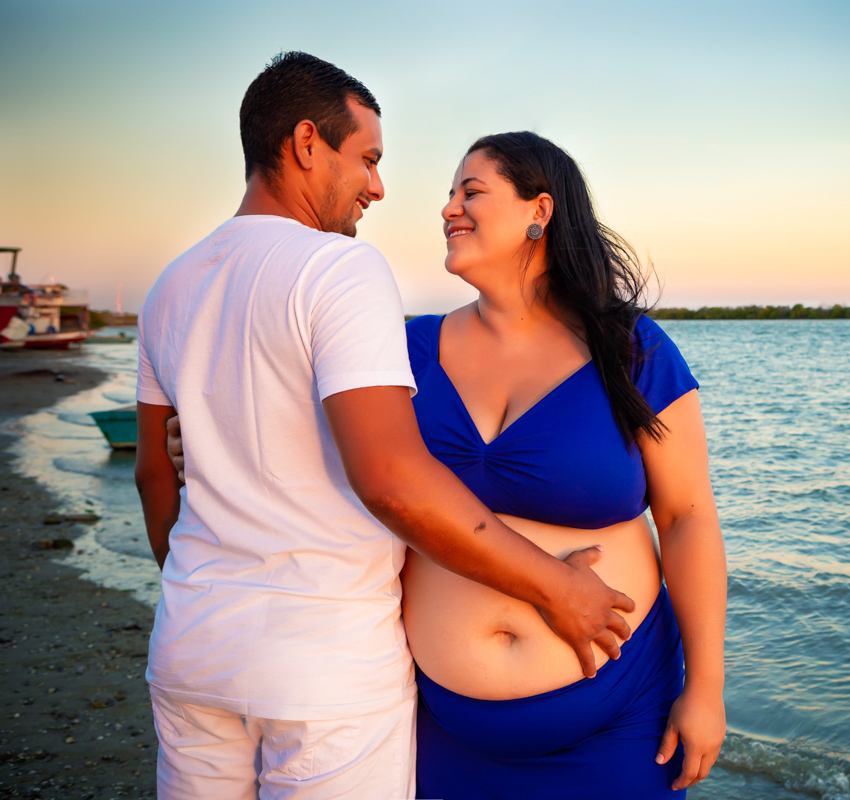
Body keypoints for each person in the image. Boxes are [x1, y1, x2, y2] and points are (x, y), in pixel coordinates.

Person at [134, 53, 635, 800]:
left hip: (191, 647)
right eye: (366, 158)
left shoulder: (170, 286)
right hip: (323, 669)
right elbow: (393, 480)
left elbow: (155, 473)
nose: (377, 186)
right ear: (307, 143)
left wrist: (202, 591)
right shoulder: (338, 269)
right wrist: (558, 588)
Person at [400, 132, 728, 798]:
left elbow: (688, 517)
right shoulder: (407, 348)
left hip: (616, 721)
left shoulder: (630, 349)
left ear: (539, 212)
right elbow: (337, 458)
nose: (448, 209)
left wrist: (708, 690)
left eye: (471, 192)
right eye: (448, 196)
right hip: (441, 726)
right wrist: (189, 443)